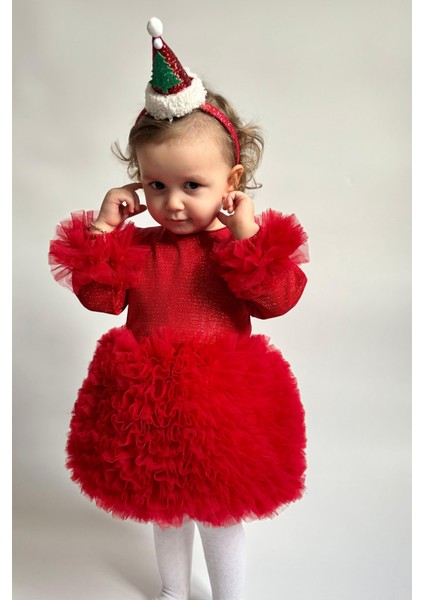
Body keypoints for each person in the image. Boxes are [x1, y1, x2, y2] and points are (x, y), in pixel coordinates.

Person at [49, 17, 309, 600]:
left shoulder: (237, 249)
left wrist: (247, 237)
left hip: (222, 405)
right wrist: (105, 227)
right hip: (147, 402)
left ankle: (228, 595)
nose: (172, 203)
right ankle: (172, 590)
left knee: (220, 513)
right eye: (156, 185)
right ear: (138, 183)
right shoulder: (139, 248)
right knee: (164, 510)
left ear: (232, 180)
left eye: (192, 185)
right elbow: (100, 298)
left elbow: (277, 300)